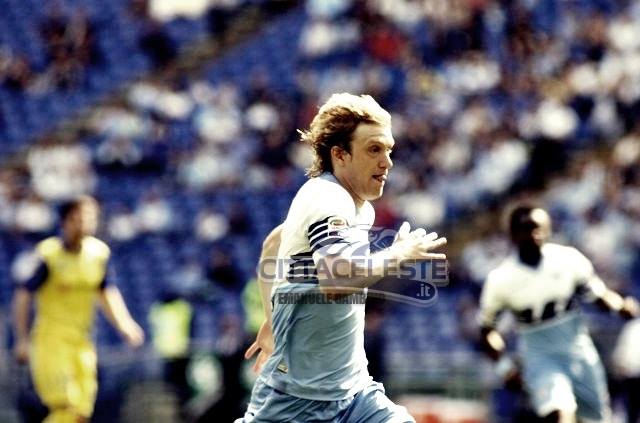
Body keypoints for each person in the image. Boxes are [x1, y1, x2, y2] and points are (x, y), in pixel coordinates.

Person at [236, 93, 447, 423]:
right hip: (296, 401)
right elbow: (336, 281)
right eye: (374, 149)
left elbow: (273, 244)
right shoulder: (328, 197)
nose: (387, 162)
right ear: (339, 154)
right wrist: (399, 253)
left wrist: (272, 321)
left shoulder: (356, 205)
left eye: (389, 150)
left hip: (354, 394)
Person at [478, 204, 640, 423]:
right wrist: (504, 367)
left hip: (579, 351)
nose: (534, 234)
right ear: (513, 235)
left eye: (539, 228)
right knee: (559, 412)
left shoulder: (568, 260)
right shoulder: (501, 279)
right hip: (539, 357)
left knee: (597, 418)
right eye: (527, 229)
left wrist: (620, 305)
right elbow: (487, 330)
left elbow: (597, 295)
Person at [12, 195, 145, 423]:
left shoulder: (98, 254)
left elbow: (106, 291)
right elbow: (23, 295)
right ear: (64, 221)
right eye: (77, 218)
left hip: (82, 342)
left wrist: (125, 324)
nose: (84, 223)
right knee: (65, 404)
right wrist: (22, 338)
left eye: (90, 217)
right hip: (51, 342)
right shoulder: (49, 255)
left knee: (81, 413)